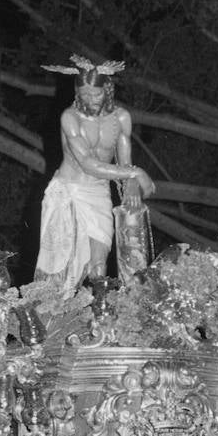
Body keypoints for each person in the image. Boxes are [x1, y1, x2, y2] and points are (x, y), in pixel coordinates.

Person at [35, 55, 155, 297]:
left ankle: (98, 322)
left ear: (107, 89)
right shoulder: (70, 117)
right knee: (64, 271)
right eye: (84, 94)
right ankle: (55, 319)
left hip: (98, 193)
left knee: (98, 267)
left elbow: (124, 159)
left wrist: (131, 183)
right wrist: (136, 173)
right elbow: (89, 164)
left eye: (96, 94)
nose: (90, 100)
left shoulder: (121, 118)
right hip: (69, 192)